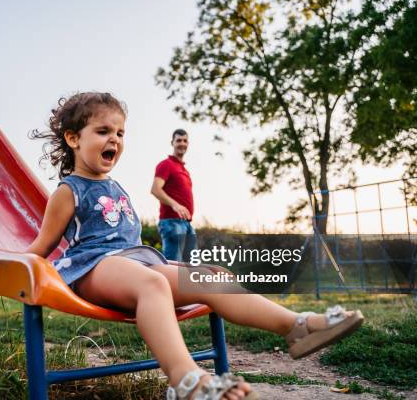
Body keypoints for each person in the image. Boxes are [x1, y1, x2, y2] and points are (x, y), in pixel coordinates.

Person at [26, 92, 364, 400]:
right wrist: (13, 267)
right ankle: (186, 379)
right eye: (102, 131)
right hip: (94, 269)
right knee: (153, 281)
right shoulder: (68, 191)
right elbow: (44, 244)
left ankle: (297, 326)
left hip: (135, 263)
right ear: (73, 138)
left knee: (213, 276)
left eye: (120, 133)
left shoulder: (114, 185)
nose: (114, 138)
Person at [151, 129, 196, 261]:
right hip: (172, 222)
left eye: (185, 140)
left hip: (187, 224)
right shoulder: (166, 165)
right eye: (178, 140)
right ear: (172, 143)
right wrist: (175, 205)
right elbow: (155, 189)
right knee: (175, 268)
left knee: (191, 269)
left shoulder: (184, 170)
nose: (182, 143)